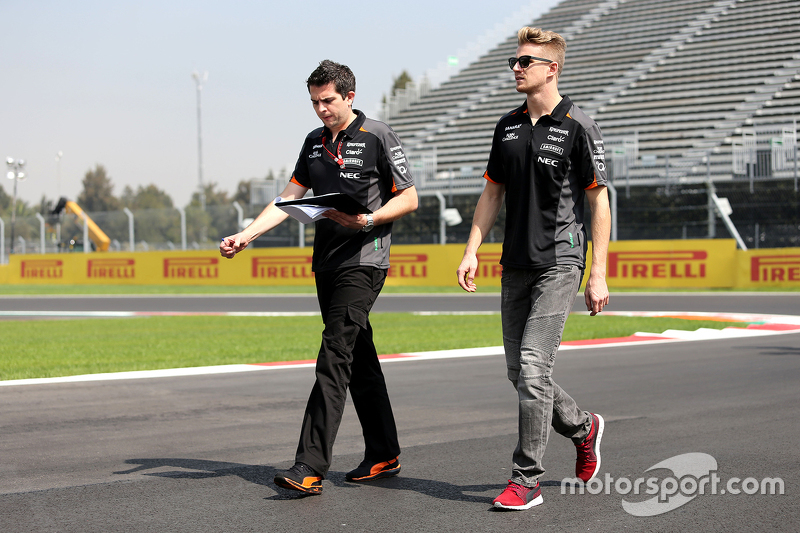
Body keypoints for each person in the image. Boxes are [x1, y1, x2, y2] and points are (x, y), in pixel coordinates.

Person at [220, 60, 418, 495]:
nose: (321, 110)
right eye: (314, 102)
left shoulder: (378, 135)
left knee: (334, 356)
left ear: (349, 96)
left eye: (328, 100)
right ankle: (384, 452)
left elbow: (409, 197)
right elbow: (288, 199)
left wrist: (368, 219)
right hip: (326, 263)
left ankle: (309, 466)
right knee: (358, 357)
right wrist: (247, 234)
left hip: (365, 259)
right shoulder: (313, 143)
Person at [456, 27, 611, 511]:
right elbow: (491, 193)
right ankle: (584, 427)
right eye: (514, 61)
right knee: (517, 372)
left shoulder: (579, 125)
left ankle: (527, 479)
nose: (517, 69)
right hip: (515, 262)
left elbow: (598, 202)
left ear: (552, 68)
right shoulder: (506, 126)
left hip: (560, 260)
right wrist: (471, 248)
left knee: (532, 367)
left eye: (526, 61)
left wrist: (598, 272)